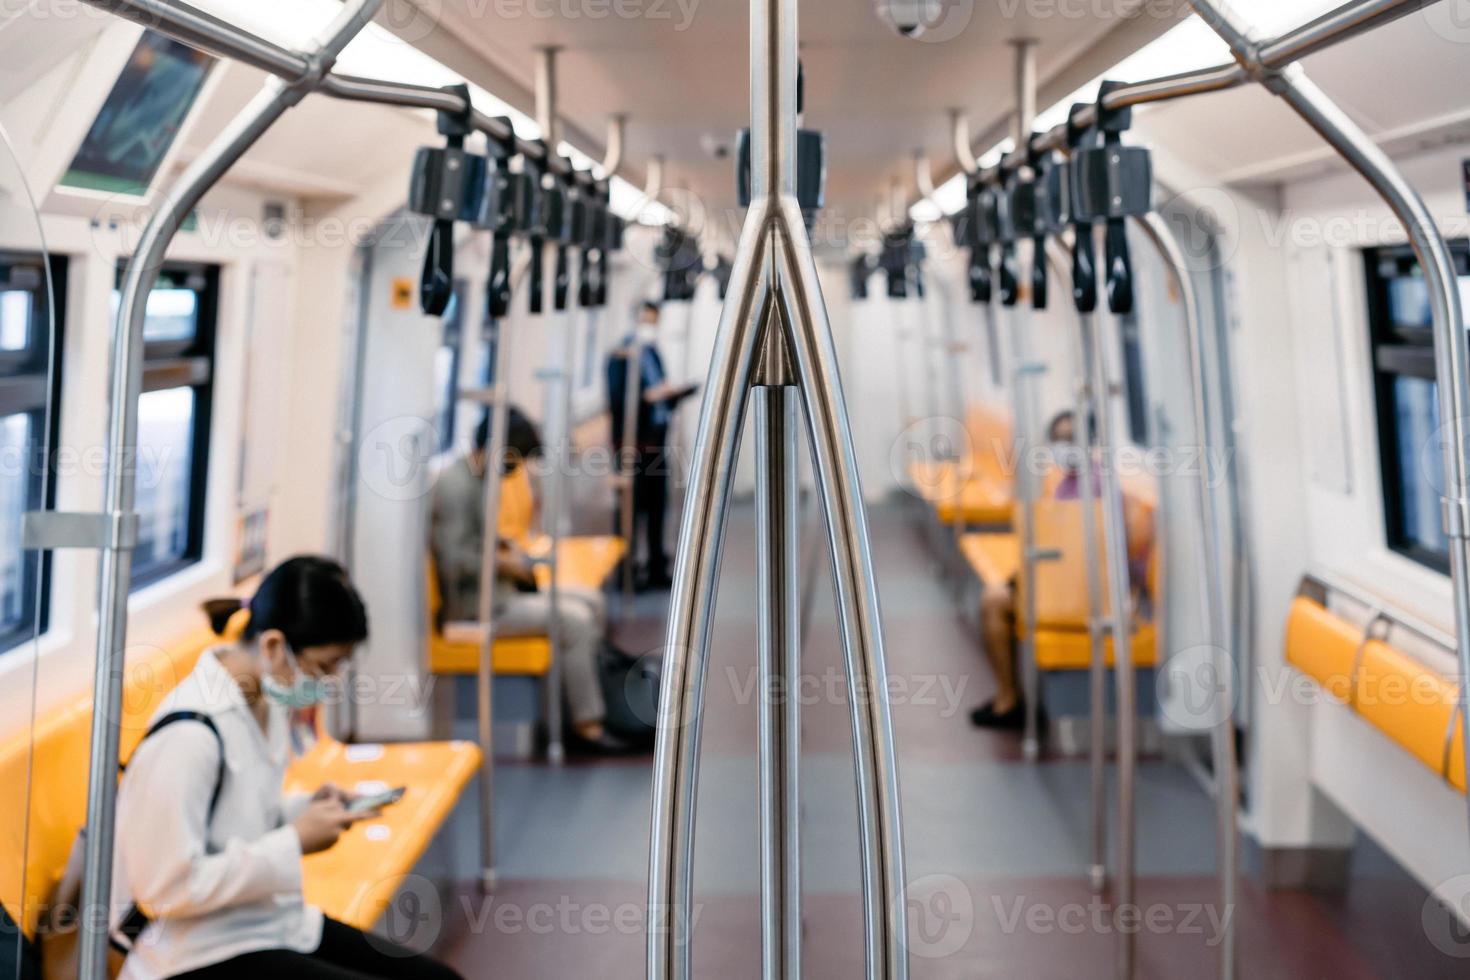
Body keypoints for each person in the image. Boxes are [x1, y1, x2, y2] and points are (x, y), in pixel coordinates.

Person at [110, 556, 463, 980]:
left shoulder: (267, 701)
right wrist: (294, 840)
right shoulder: (189, 735)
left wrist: (306, 810)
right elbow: (165, 890)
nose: (328, 682)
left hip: (268, 924)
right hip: (196, 952)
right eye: (324, 667)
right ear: (275, 646)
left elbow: (237, 822)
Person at [429, 408, 634, 755]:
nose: (517, 469)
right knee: (577, 621)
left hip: (500, 591)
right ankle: (587, 724)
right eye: (516, 459)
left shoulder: (478, 479)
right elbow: (453, 562)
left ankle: (580, 699)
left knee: (591, 600)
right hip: (477, 608)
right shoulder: (455, 487)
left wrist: (506, 553)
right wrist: (505, 566)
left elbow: (479, 541)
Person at [969, 410, 1153, 730]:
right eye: (1059, 440)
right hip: (1065, 583)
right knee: (997, 594)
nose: (1065, 447)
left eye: (1073, 439)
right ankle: (1011, 695)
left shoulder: (1099, 488)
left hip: (1090, 593)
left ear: (1091, 442)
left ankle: (1010, 699)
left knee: (993, 602)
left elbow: (1098, 555)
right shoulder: (1067, 485)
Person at [606, 300, 698, 591]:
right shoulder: (619, 358)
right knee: (630, 510)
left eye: (654, 321)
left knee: (658, 507)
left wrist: (673, 394)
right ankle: (627, 571)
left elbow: (661, 389)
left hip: (656, 442)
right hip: (632, 445)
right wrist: (649, 396)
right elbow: (619, 400)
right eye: (646, 320)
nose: (650, 327)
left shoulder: (652, 354)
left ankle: (657, 566)